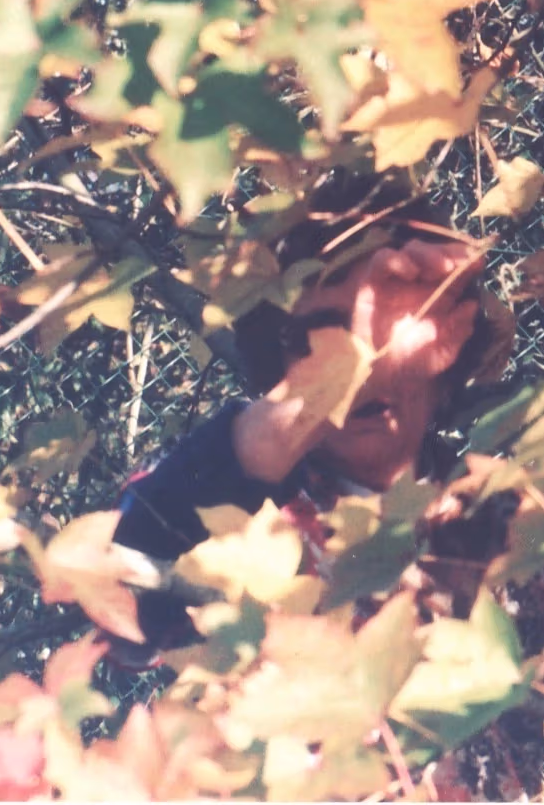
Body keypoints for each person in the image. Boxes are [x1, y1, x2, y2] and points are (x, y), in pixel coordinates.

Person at [107, 197, 495, 656]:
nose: (365, 362)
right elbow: (119, 594)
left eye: (388, 328)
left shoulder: (505, 516)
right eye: (320, 337)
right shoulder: (244, 512)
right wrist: (335, 379)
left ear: (450, 339)